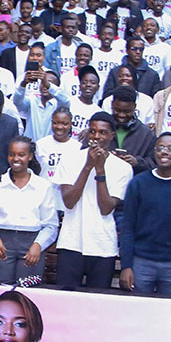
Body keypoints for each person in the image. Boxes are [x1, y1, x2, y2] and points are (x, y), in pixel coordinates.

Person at [55, 113, 132, 288]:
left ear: (112, 135)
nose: (97, 137)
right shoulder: (70, 159)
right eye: (93, 131)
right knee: (66, 301)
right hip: (71, 243)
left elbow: (106, 208)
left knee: (97, 303)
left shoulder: (123, 168)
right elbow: (69, 201)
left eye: (103, 132)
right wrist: (88, 166)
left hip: (102, 245)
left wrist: (100, 170)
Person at [119, 133, 171, 296]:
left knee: (170, 314)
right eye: (160, 148)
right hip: (142, 262)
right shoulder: (138, 183)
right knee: (139, 312)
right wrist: (126, 266)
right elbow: (128, 226)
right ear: (154, 152)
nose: (165, 152)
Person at [0, 136, 58, 284]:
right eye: (12, 154)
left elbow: (51, 225)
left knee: (27, 295)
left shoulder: (43, 186)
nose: (16, 158)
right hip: (2, 245)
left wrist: (38, 245)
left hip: (31, 245)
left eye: (21, 154)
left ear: (30, 156)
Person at [35, 107, 84, 212]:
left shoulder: (78, 147)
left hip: (65, 201)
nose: (59, 127)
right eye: (56, 123)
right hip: (45, 198)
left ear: (71, 124)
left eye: (64, 123)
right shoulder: (41, 144)